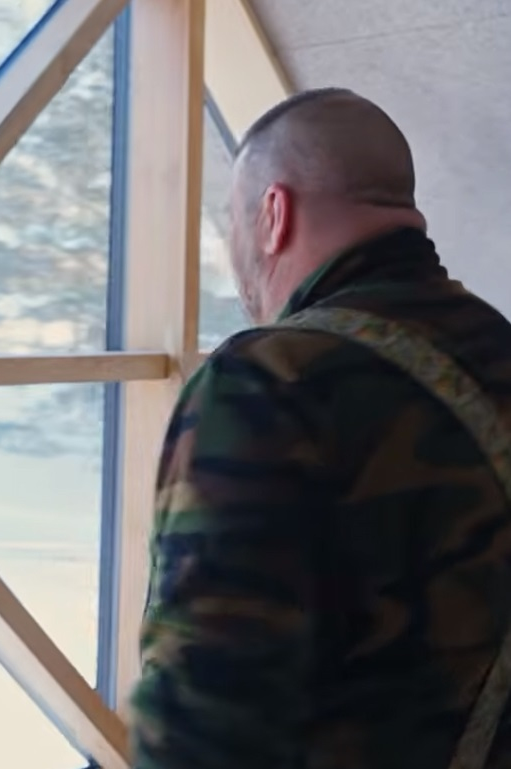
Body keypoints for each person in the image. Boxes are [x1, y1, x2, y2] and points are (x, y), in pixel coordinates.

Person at [130, 87, 511, 769]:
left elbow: (204, 712)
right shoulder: (495, 345)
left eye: (233, 221)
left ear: (273, 215)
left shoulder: (269, 379)